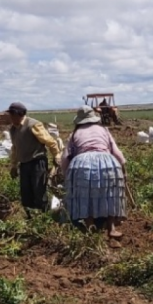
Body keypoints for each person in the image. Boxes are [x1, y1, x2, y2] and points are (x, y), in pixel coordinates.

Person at [61, 106, 127, 239]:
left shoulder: (75, 133)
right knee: (110, 193)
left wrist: (66, 175)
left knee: (85, 194)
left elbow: (66, 156)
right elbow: (117, 153)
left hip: (81, 163)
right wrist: (123, 171)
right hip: (107, 162)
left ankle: (89, 226)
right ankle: (111, 228)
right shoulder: (104, 130)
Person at [7, 102, 62, 217]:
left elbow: (50, 142)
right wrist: (13, 165)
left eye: (12, 114)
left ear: (19, 114)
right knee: (26, 194)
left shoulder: (33, 125)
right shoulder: (13, 129)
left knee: (39, 191)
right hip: (24, 164)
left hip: (37, 162)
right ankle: (31, 218)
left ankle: (44, 218)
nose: (10, 117)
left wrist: (56, 155)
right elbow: (15, 148)